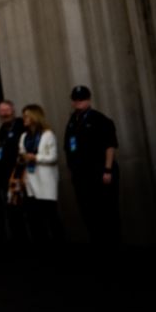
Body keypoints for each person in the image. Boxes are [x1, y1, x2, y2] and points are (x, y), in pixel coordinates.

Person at [64, 85, 120, 244]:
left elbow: (110, 146)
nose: (79, 102)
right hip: (81, 176)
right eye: (76, 99)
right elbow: (68, 147)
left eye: (82, 99)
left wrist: (107, 170)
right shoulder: (72, 122)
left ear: (89, 99)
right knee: (89, 213)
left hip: (101, 173)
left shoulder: (99, 119)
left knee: (108, 213)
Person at [18, 104, 62, 243]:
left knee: (51, 218)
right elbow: (21, 155)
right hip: (31, 183)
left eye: (26, 115)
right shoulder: (24, 136)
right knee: (35, 220)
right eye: (23, 115)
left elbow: (53, 157)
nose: (23, 118)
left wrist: (35, 158)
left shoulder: (47, 134)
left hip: (46, 183)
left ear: (34, 116)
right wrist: (22, 159)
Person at [0, 100, 27, 241]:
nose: (4, 113)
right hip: (5, 180)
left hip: (20, 177)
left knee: (25, 211)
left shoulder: (20, 126)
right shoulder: (1, 130)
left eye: (6, 110)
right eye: (1, 111)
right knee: (13, 213)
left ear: (13, 111)